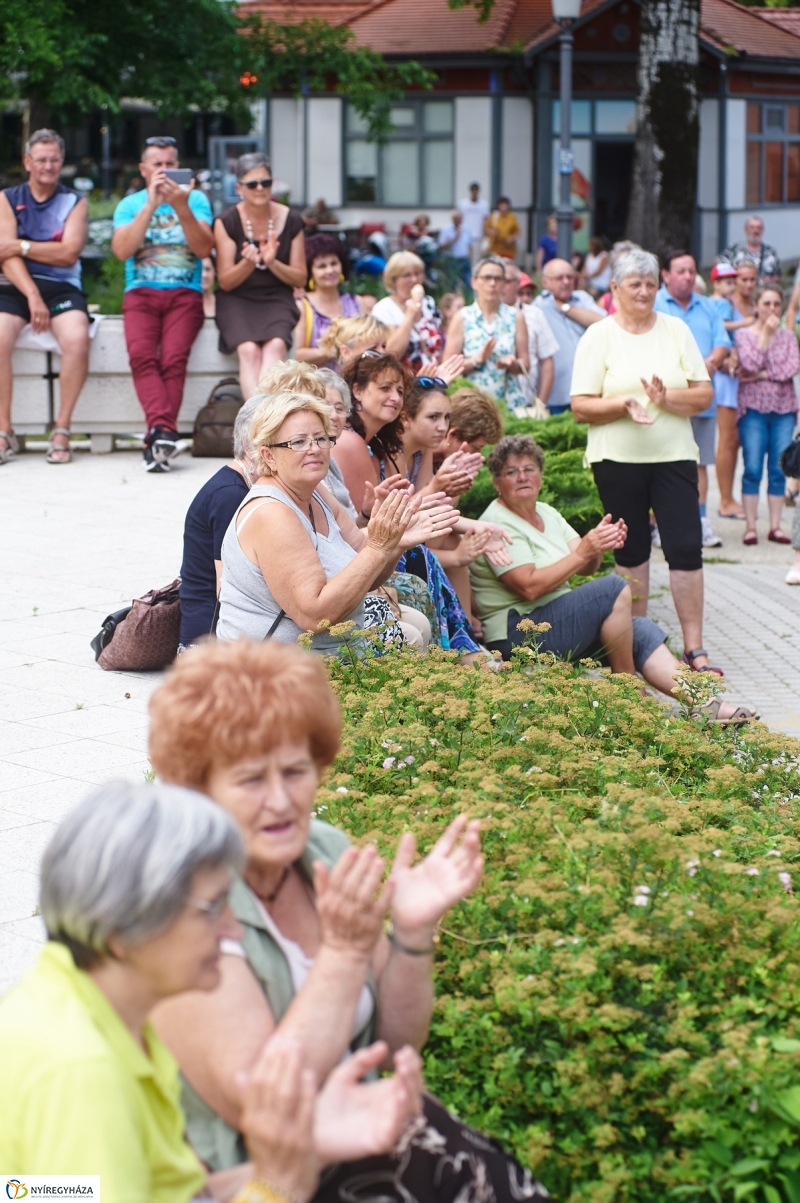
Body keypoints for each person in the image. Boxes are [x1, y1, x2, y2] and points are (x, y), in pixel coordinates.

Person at [147, 641, 550, 1197]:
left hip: (360, 1135)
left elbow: (394, 1037)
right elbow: (267, 1108)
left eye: (294, 771)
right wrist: (341, 953)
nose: (280, 800)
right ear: (200, 788)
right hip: (259, 1179)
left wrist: (411, 935)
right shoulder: (183, 905)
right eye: (249, 780)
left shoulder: (322, 851)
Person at [0, 779, 422, 1199]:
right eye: (211, 909)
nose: (234, 929)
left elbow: (34, 1191)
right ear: (121, 933)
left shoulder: (74, 1004)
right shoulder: (82, 1073)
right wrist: (278, 1186)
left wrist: (307, 1146)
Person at [468, 437, 756, 723]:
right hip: (519, 632)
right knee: (614, 587)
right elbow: (528, 586)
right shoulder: (498, 522)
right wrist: (584, 552)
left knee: (640, 629)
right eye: (511, 471)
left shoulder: (547, 513)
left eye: (529, 469)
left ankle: (706, 704)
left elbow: (584, 566)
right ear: (496, 482)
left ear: (541, 477)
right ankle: (628, 693)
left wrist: (597, 546)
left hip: (556, 620)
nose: (522, 477)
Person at [571, 248, 724, 677]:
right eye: (634, 284)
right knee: (632, 550)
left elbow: (704, 395)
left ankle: (695, 648)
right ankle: (638, 646)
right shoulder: (598, 335)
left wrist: (665, 399)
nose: (644, 291)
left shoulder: (676, 330)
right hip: (617, 460)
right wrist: (623, 405)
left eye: (651, 284)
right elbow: (581, 406)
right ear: (615, 288)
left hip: (673, 457)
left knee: (685, 548)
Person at [217, 388, 457, 654]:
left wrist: (394, 543)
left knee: (418, 626)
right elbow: (314, 616)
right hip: (277, 672)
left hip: (336, 646)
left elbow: (363, 567)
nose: (314, 449)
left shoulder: (314, 491)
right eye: (298, 442)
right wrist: (378, 547)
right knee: (411, 638)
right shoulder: (272, 513)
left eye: (321, 439)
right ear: (268, 456)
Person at [333, 354, 485, 658]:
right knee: (420, 553)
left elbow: (422, 511)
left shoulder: (381, 444)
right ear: (358, 391)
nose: (395, 397)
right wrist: (439, 487)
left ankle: (463, 642)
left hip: (372, 544)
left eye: (400, 391)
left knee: (436, 544)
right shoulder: (350, 442)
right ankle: (460, 649)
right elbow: (372, 525)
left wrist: (447, 488)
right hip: (352, 556)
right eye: (385, 388)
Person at [112, 136, 214, 474]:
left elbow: (202, 248)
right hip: (140, 291)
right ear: (144, 170)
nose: (165, 171)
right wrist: (151, 205)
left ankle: (157, 435)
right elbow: (122, 251)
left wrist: (181, 206)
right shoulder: (130, 205)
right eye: (158, 164)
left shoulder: (196, 200)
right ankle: (163, 432)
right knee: (141, 356)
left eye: (171, 164)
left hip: (185, 293)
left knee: (172, 359)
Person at [0, 128, 89, 465]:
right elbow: (4, 256)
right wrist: (33, 295)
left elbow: (68, 254)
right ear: (27, 162)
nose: (48, 166)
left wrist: (22, 246)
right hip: (16, 285)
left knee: (78, 338)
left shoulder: (74, 201)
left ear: (62, 162)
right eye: (41, 160)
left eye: (54, 160)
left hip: (63, 286)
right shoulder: (7, 198)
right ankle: (4, 431)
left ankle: (62, 428)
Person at [654, 249, 731, 549]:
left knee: (699, 463)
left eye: (691, 271)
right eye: (681, 271)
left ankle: (700, 521)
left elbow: (723, 342)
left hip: (700, 398)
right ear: (666, 275)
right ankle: (661, 525)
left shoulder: (709, 306)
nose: (687, 276)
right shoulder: (656, 303)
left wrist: (710, 362)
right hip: (665, 397)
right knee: (662, 463)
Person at [214, 153, 307, 401]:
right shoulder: (227, 221)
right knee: (249, 350)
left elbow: (299, 278)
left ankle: (260, 426)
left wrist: (271, 261)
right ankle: (259, 426)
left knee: (276, 346)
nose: (259, 189)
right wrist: (248, 262)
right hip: (237, 298)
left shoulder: (291, 219)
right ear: (239, 188)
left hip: (277, 296)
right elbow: (225, 281)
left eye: (265, 183)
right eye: (252, 184)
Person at [178, 396, 261, 650]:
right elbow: (226, 589)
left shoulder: (242, 485)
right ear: (249, 444)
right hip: (206, 649)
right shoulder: (231, 495)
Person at [735, 284, 800, 547]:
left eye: (776, 304)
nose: (772, 309)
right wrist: (764, 339)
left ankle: (775, 526)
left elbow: (792, 367)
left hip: (784, 410)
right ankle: (751, 526)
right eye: (767, 303)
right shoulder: (743, 334)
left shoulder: (788, 336)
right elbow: (748, 364)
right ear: (757, 306)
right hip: (752, 410)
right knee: (752, 468)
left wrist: (761, 374)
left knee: (778, 468)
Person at [443, 254, 529, 411]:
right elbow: (448, 366)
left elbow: (526, 364)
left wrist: (513, 363)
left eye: (498, 278)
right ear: (474, 282)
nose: (492, 283)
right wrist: (477, 360)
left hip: (509, 402)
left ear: (504, 283)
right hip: (472, 403)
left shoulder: (515, 316)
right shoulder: (463, 317)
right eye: (487, 277)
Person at [533, 258, 605, 415]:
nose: (566, 282)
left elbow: (603, 323)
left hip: (590, 387)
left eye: (570, 277)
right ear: (545, 282)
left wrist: (565, 308)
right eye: (559, 278)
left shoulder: (583, 299)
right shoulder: (539, 307)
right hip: (557, 393)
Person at [295, 234, 371, 369]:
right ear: (310, 272)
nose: (330, 270)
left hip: (355, 385)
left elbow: (369, 344)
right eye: (321, 266)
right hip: (317, 386)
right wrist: (334, 351)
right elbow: (296, 354)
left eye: (334, 263)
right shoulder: (302, 306)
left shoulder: (357, 303)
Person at [709, 262, 746, 520]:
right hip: (726, 378)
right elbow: (722, 330)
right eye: (729, 281)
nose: (734, 285)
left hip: (738, 377)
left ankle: (728, 498)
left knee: (733, 440)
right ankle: (725, 499)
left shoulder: (724, 301)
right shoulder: (721, 303)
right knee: (728, 439)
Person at [371, 252, 443, 370]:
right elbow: (392, 353)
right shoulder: (383, 308)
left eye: (417, 274)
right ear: (393, 280)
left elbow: (439, 344)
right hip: (403, 381)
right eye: (406, 275)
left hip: (433, 377)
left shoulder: (428, 303)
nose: (414, 279)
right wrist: (410, 315)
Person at [316, 313, 388, 372]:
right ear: (346, 352)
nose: (382, 352)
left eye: (384, 346)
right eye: (373, 348)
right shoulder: (333, 388)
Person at [720, 215, 781, 283]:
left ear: (762, 231)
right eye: (752, 228)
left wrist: (770, 282)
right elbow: (720, 266)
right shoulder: (733, 249)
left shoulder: (770, 251)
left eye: (759, 228)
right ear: (745, 230)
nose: (755, 231)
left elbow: (777, 275)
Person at [437, 211, 473, 290]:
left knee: (468, 282)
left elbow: (470, 245)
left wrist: (469, 257)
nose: (459, 221)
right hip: (451, 260)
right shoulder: (445, 229)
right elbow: (441, 247)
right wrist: (455, 237)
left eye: (460, 219)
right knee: (451, 283)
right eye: (457, 219)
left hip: (464, 259)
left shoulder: (466, 229)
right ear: (453, 219)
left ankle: (469, 299)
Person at [457, 183, 490, 262]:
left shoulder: (484, 204)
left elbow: (485, 221)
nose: (474, 192)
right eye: (473, 190)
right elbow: (459, 219)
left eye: (476, 190)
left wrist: (485, 236)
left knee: (476, 259)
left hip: (478, 236)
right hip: (465, 235)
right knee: (466, 257)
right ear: (470, 191)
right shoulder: (463, 204)